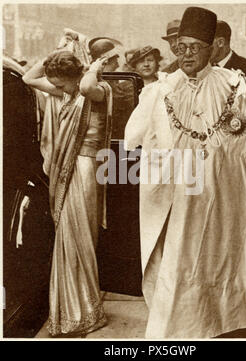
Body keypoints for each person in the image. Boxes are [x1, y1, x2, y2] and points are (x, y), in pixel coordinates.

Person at [125, 7, 246, 338]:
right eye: (181, 46)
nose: (186, 54)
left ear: (212, 49)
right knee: (181, 257)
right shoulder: (160, 90)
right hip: (180, 193)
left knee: (221, 253)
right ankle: (180, 327)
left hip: (224, 194)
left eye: (194, 47)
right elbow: (133, 138)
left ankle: (226, 319)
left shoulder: (234, 86)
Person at [22, 40, 112, 336]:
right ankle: (73, 310)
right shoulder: (68, 90)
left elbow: (85, 87)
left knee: (80, 237)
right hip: (69, 167)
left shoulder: (98, 90)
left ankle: (86, 311)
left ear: (77, 76)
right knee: (67, 236)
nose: (61, 89)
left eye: (64, 83)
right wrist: (58, 51)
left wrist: (94, 65)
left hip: (86, 168)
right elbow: (29, 77)